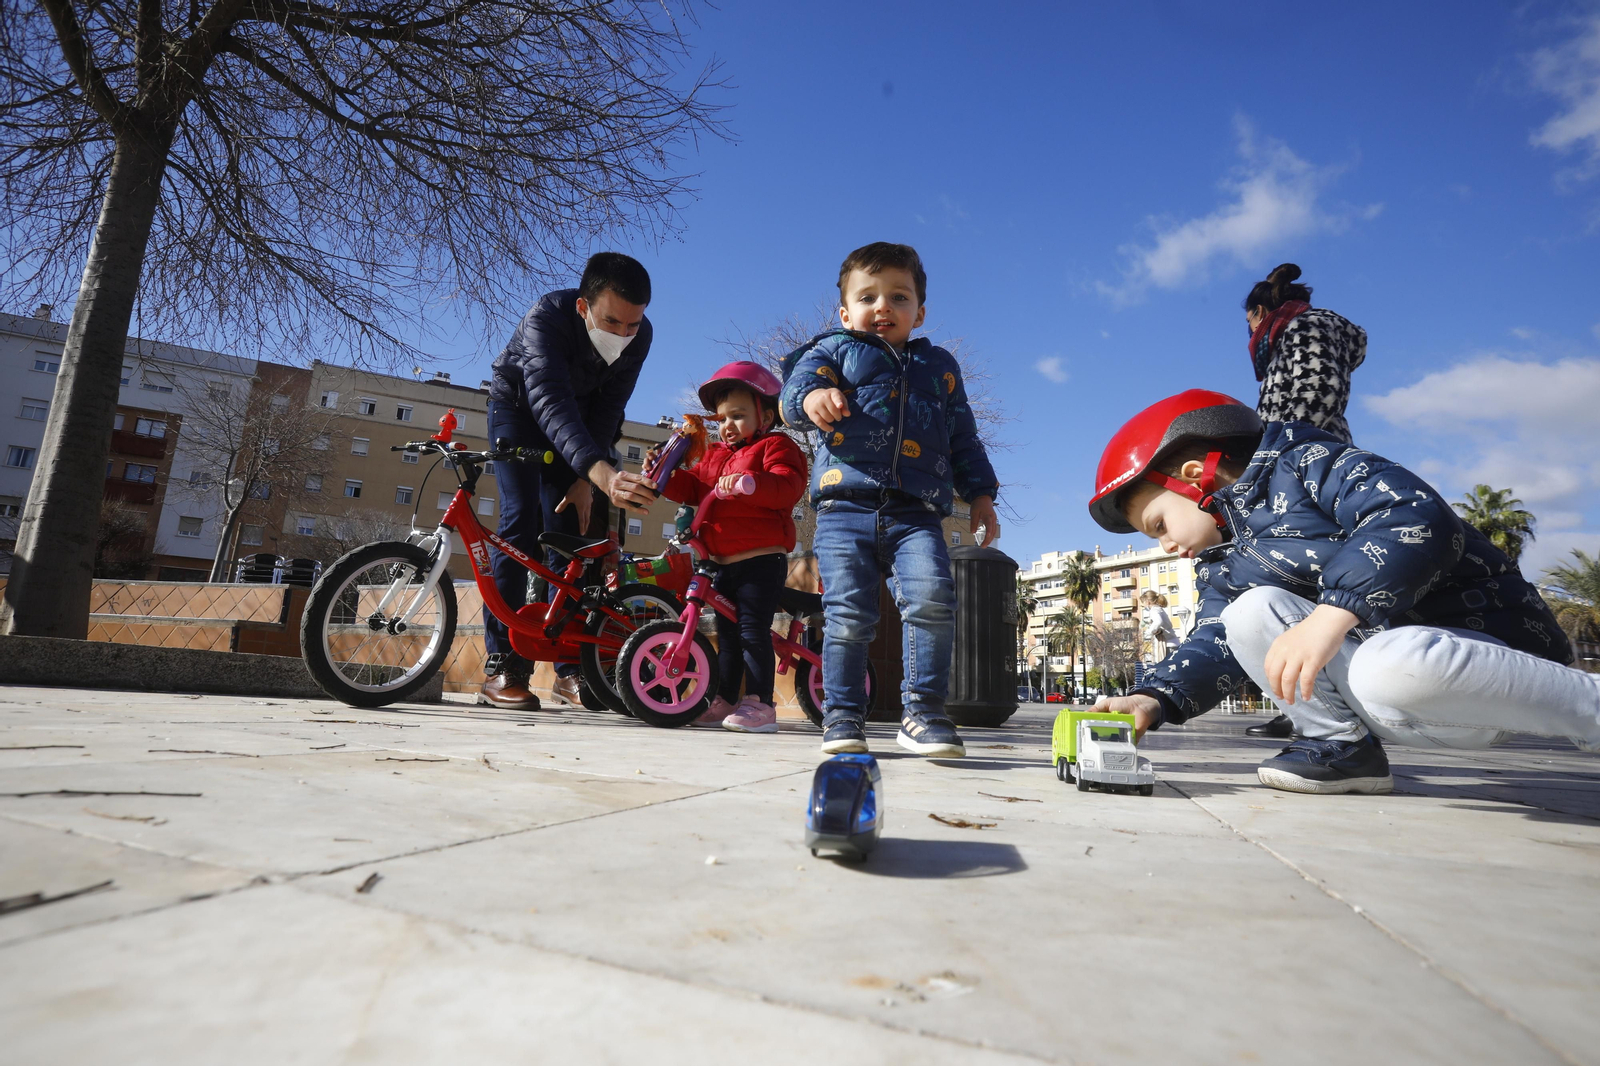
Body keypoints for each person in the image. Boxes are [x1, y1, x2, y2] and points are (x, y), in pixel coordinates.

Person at [1088, 390, 1596, 795]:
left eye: (1158, 524)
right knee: (1248, 613)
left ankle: (1592, 709)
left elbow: (1410, 516)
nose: (1167, 545)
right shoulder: (1224, 563)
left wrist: (1332, 614)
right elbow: (1215, 639)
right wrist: (1154, 698)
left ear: (1193, 476)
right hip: (1398, 690)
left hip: (1488, 660)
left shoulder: (1311, 464)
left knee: (1387, 664)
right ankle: (1342, 749)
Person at [780, 242, 1001, 758]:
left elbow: (964, 436)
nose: (883, 307)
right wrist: (811, 398)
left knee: (931, 602)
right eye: (868, 296)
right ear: (844, 311)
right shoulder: (832, 350)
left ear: (919, 311)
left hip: (916, 513)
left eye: (899, 297)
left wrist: (983, 496)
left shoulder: (939, 367)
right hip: (844, 509)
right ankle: (841, 715)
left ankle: (923, 713)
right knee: (848, 614)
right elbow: (794, 391)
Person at [480, 252, 660, 709]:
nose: (623, 335)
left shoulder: (641, 338)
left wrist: (586, 477)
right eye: (612, 321)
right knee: (520, 524)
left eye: (632, 325)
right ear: (583, 307)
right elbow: (548, 398)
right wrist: (600, 471)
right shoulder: (547, 318)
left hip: (579, 428)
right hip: (519, 410)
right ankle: (504, 667)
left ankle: (569, 671)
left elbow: (608, 408)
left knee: (570, 538)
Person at [1244, 263, 1367, 738]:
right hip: (1292, 465)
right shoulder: (1286, 338)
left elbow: (1319, 393)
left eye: (1250, 320)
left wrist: (1283, 453)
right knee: (1298, 580)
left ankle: (1333, 707)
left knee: (1315, 577)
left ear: (1260, 310)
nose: (1250, 331)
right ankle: (1304, 703)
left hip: (1312, 466)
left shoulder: (1309, 326)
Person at [653, 362, 807, 734]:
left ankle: (760, 702)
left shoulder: (776, 445)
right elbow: (691, 489)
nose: (727, 426)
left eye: (738, 416)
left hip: (759, 560)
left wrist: (751, 482)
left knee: (752, 630)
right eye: (721, 419)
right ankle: (725, 697)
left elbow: (788, 484)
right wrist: (665, 474)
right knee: (729, 635)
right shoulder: (714, 457)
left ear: (766, 416)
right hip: (718, 563)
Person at [1139, 589, 1176, 663]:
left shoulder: (1154, 610)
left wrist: (1149, 632)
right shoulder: (1159, 609)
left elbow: (1158, 621)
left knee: (1165, 667)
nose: (1143, 606)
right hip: (1172, 642)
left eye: (1143, 603)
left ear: (1147, 602)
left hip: (1167, 644)